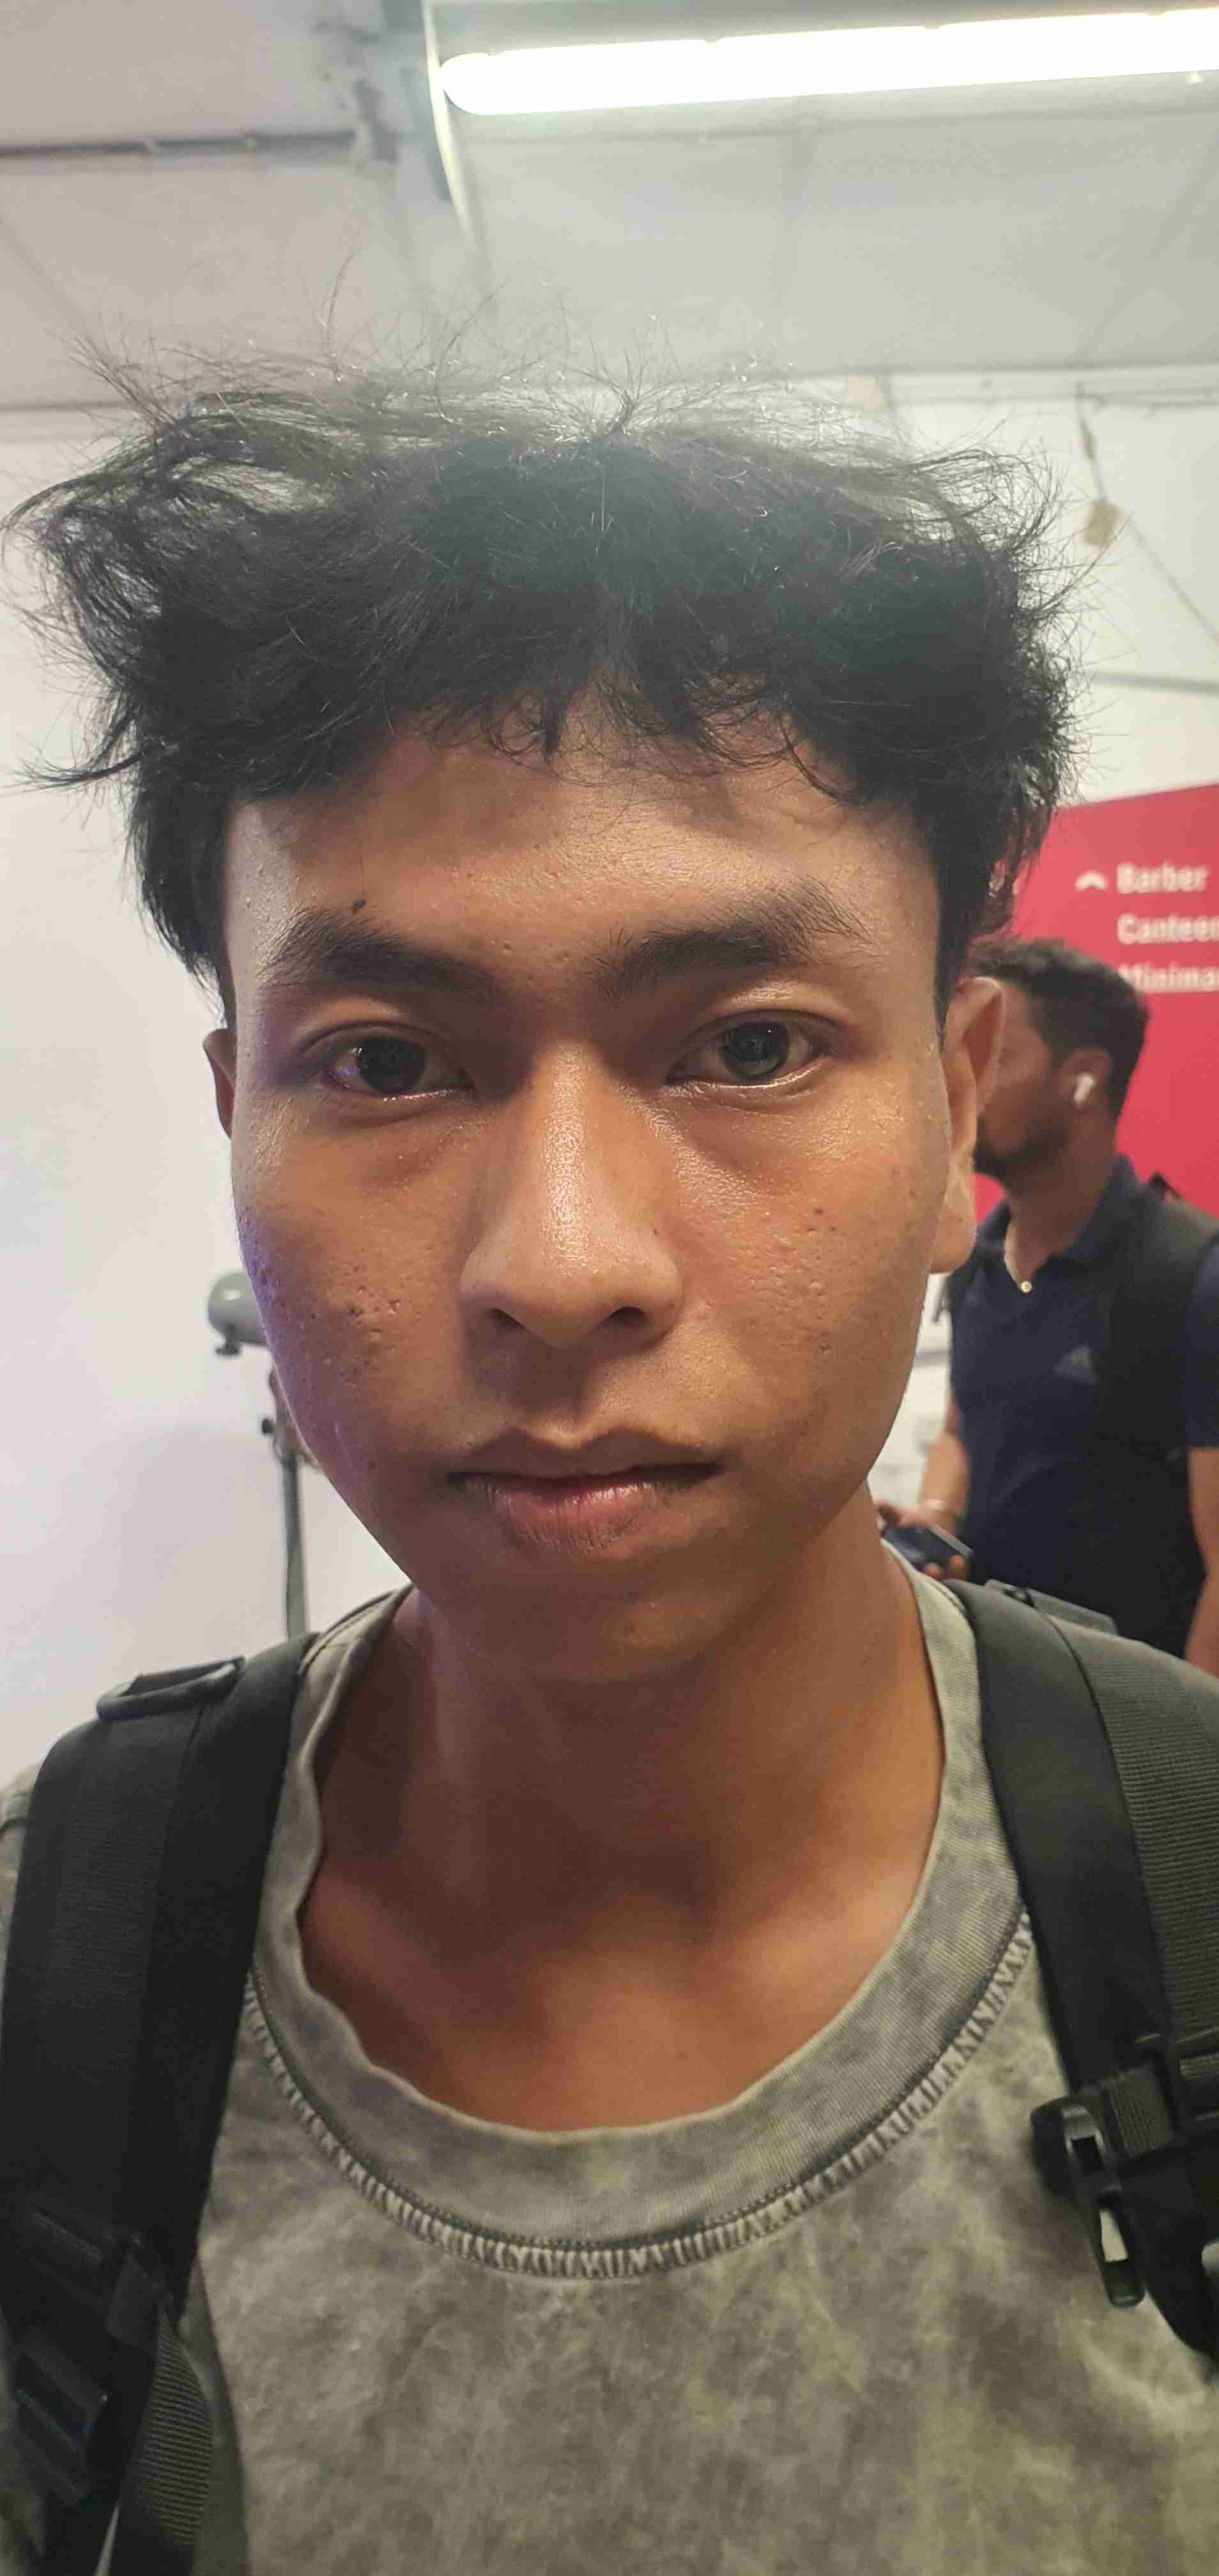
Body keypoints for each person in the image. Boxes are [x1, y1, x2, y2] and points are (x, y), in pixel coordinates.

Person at [1, 359, 1215, 2576]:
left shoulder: (1194, 1892)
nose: (560, 1265)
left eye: (746, 1044)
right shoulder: (45, 1983)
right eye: (386, 1062)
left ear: (956, 1106)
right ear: (234, 1113)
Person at [881, 938, 1219, 1671]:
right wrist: (937, 1520)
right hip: (1001, 1678)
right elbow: (963, 1428)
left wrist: (1186, 1730)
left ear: (1083, 1079)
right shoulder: (979, 1255)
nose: (962, 1082)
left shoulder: (1192, 1276)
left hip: (1133, 1703)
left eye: (996, 1056)